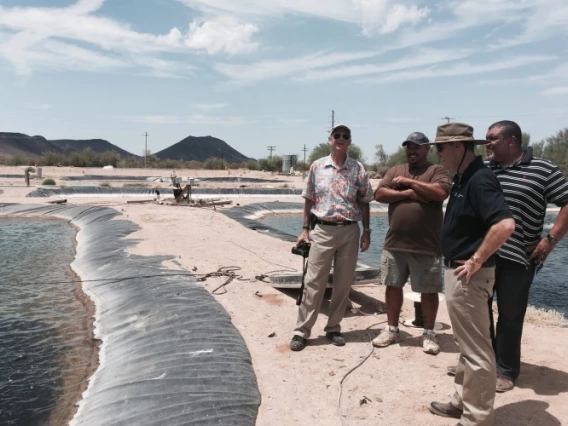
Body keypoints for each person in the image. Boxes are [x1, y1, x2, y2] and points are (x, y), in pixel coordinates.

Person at [428, 122, 515, 426]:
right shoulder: (465, 177)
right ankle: (461, 402)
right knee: (469, 345)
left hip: (468, 277)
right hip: (461, 275)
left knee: (477, 352)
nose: (437, 154)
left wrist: (477, 259)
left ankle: (476, 420)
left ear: (457, 146)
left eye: (440, 147)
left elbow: (505, 225)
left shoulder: (479, 179)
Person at [485, 120, 568, 392]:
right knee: (478, 312)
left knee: (510, 314)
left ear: (512, 141)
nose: (488, 144)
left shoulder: (543, 169)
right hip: (482, 255)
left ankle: (506, 370)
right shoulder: (486, 168)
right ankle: (479, 364)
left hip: (520, 256)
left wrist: (551, 240)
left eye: (493, 138)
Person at [290, 123, 374, 351]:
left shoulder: (358, 169)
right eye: (337, 135)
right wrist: (305, 229)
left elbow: (365, 201)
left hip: (349, 230)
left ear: (350, 141)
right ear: (330, 139)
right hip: (323, 230)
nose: (341, 138)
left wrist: (366, 232)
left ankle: (334, 328)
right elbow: (309, 198)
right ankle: (301, 331)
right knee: (313, 282)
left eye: (345, 135)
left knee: (343, 283)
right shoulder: (317, 166)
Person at [372, 132, 452, 355]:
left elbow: (439, 193)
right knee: (392, 286)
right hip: (395, 243)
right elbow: (378, 194)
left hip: (427, 245)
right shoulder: (395, 170)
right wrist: (411, 193)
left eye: (417, 147)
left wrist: (407, 183)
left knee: (429, 291)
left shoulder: (437, 171)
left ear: (427, 149)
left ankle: (428, 333)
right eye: (409, 147)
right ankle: (391, 329)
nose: (412, 151)